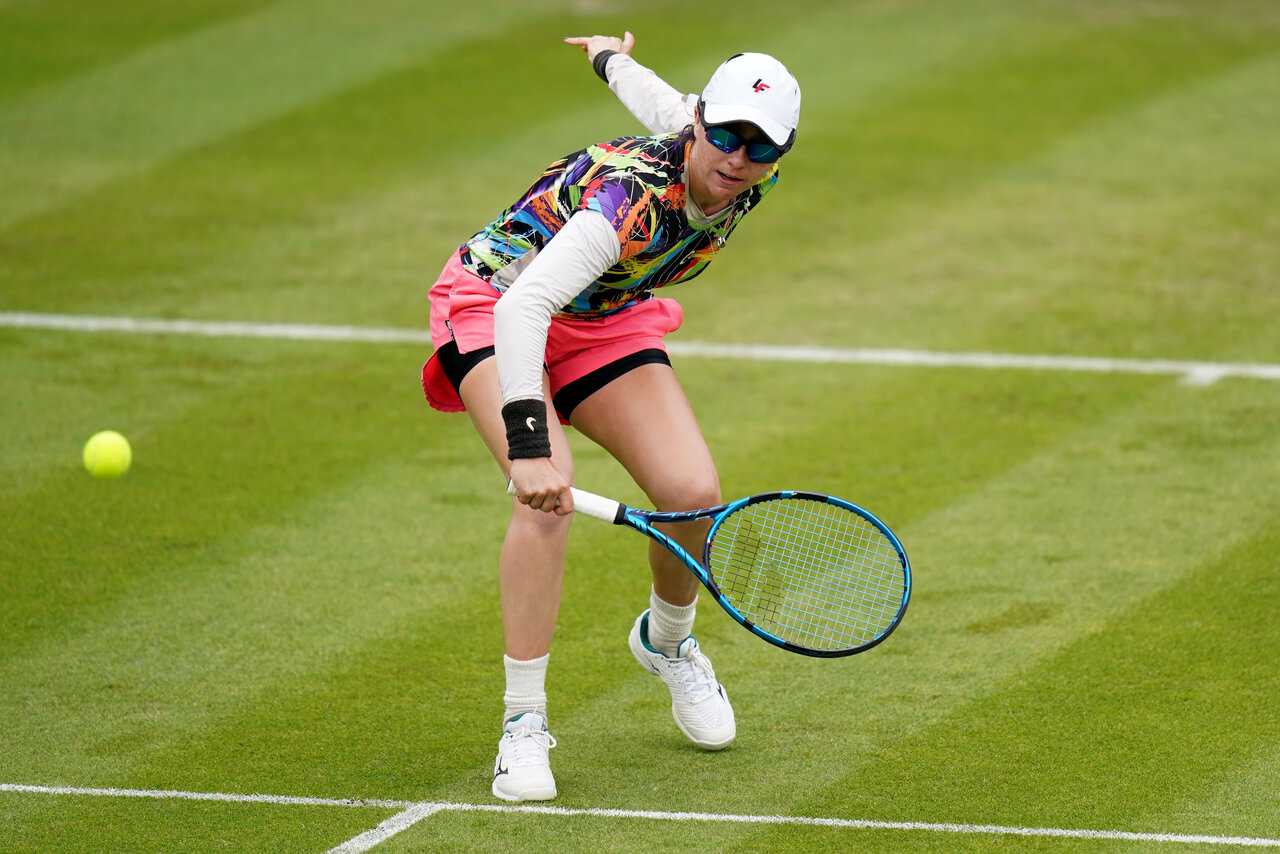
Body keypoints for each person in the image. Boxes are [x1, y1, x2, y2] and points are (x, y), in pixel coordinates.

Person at [421, 31, 801, 802]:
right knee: (549, 497)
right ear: (701, 128)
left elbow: (662, 100)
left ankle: (667, 644)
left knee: (692, 487)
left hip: (603, 318)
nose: (735, 158)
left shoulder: (735, 170)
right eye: (724, 136)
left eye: (759, 149)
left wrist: (609, 59)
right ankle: (523, 727)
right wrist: (529, 447)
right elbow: (527, 305)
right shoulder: (625, 200)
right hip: (497, 304)